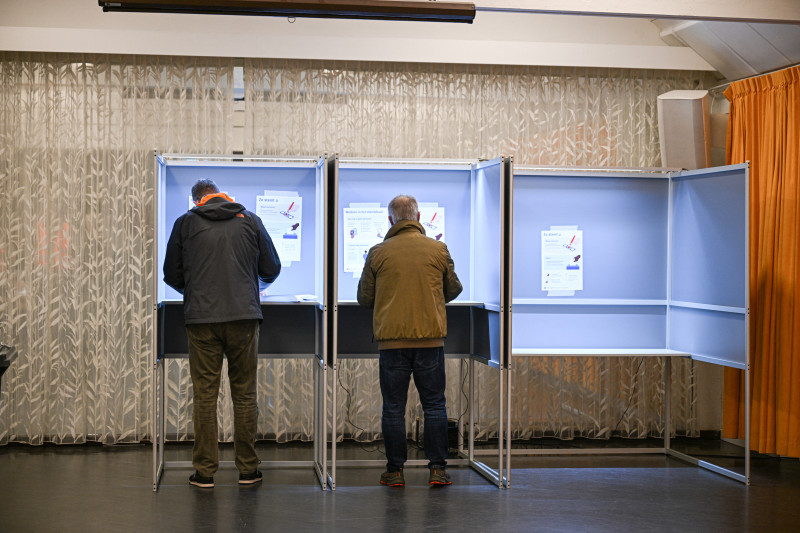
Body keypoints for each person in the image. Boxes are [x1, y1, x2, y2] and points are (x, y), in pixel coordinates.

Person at [164, 179, 281, 488]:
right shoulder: (250, 220)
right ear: (220, 194)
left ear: (196, 201)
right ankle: (248, 470)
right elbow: (272, 268)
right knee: (245, 394)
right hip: (244, 317)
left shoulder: (185, 223)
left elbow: (171, 274)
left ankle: (204, 472)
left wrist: (196, 291)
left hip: (201, 319)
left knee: (205, 396)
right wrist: (250, 284)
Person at [357, 194, 463, 487]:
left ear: (390, 220)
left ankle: (395, 472)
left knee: (393, 407)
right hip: (431, 340)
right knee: (434, 405)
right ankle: (438, 469)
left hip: (392, 343)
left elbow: (364, 298)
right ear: (418, 217)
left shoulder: (378, 252)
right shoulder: (438, 249)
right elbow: (454, 289)